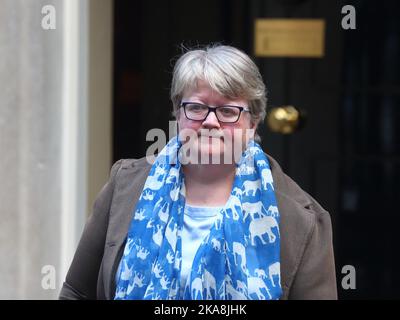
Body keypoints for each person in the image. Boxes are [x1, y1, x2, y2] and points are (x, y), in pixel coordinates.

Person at [59, 44, 337, 300]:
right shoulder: (125, 186)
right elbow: (77, 291)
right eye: (196, 107)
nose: (210, 121)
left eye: (228, 111)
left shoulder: (301, 219)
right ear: (177, 113)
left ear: (253, 122)